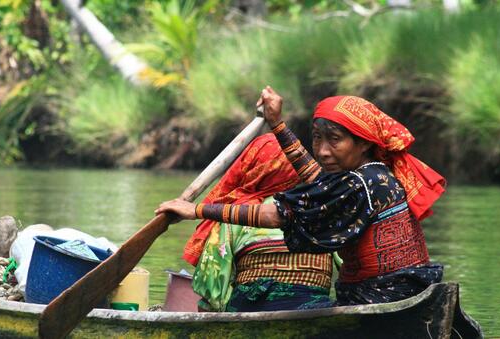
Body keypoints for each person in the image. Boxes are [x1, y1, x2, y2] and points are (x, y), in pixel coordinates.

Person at [156, 86, 446, 306]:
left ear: (364, 145)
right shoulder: (375, 175)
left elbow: (278, 215)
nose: (321, 151)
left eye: (334, 140)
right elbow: (319, 181)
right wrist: (277, 124)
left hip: (379, 297)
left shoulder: (361, 183)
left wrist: (197, 210)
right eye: (317, 138)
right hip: (404, 290)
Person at [184, 133, 333, 312]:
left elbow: (211, 290)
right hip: (313, 309)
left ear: (250, 168)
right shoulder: (322, 208)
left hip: (249, 308)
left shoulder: (231, 214)